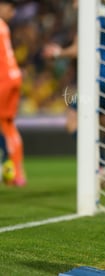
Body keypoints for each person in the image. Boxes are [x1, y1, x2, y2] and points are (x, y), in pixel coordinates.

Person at [43, 0, 105, 182]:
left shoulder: (89, 16)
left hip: (100, 77)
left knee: (72, 119)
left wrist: (56, 53)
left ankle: (98, 165)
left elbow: (78, 49)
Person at [0, 0, 26, 186]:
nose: (13, 13)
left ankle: (7, 167)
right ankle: (17, 172)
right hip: (13, 76)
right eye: (10, 8)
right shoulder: (3, 26)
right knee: (8, 125)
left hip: (3, 80)